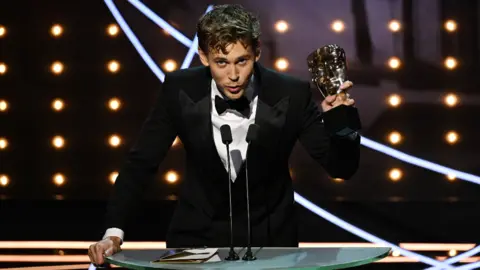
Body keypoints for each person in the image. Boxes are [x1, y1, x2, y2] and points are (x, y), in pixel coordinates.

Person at [88, 4, 360, 265]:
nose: (233, 75)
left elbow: (341, 168)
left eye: (241, 61)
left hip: (271, 245)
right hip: (194, 243)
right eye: (221, 62)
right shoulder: (179, 89)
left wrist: (339, 120)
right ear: (203, 57)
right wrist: (113, 233)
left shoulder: (291, 93)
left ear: (257, 53)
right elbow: (141, 163)